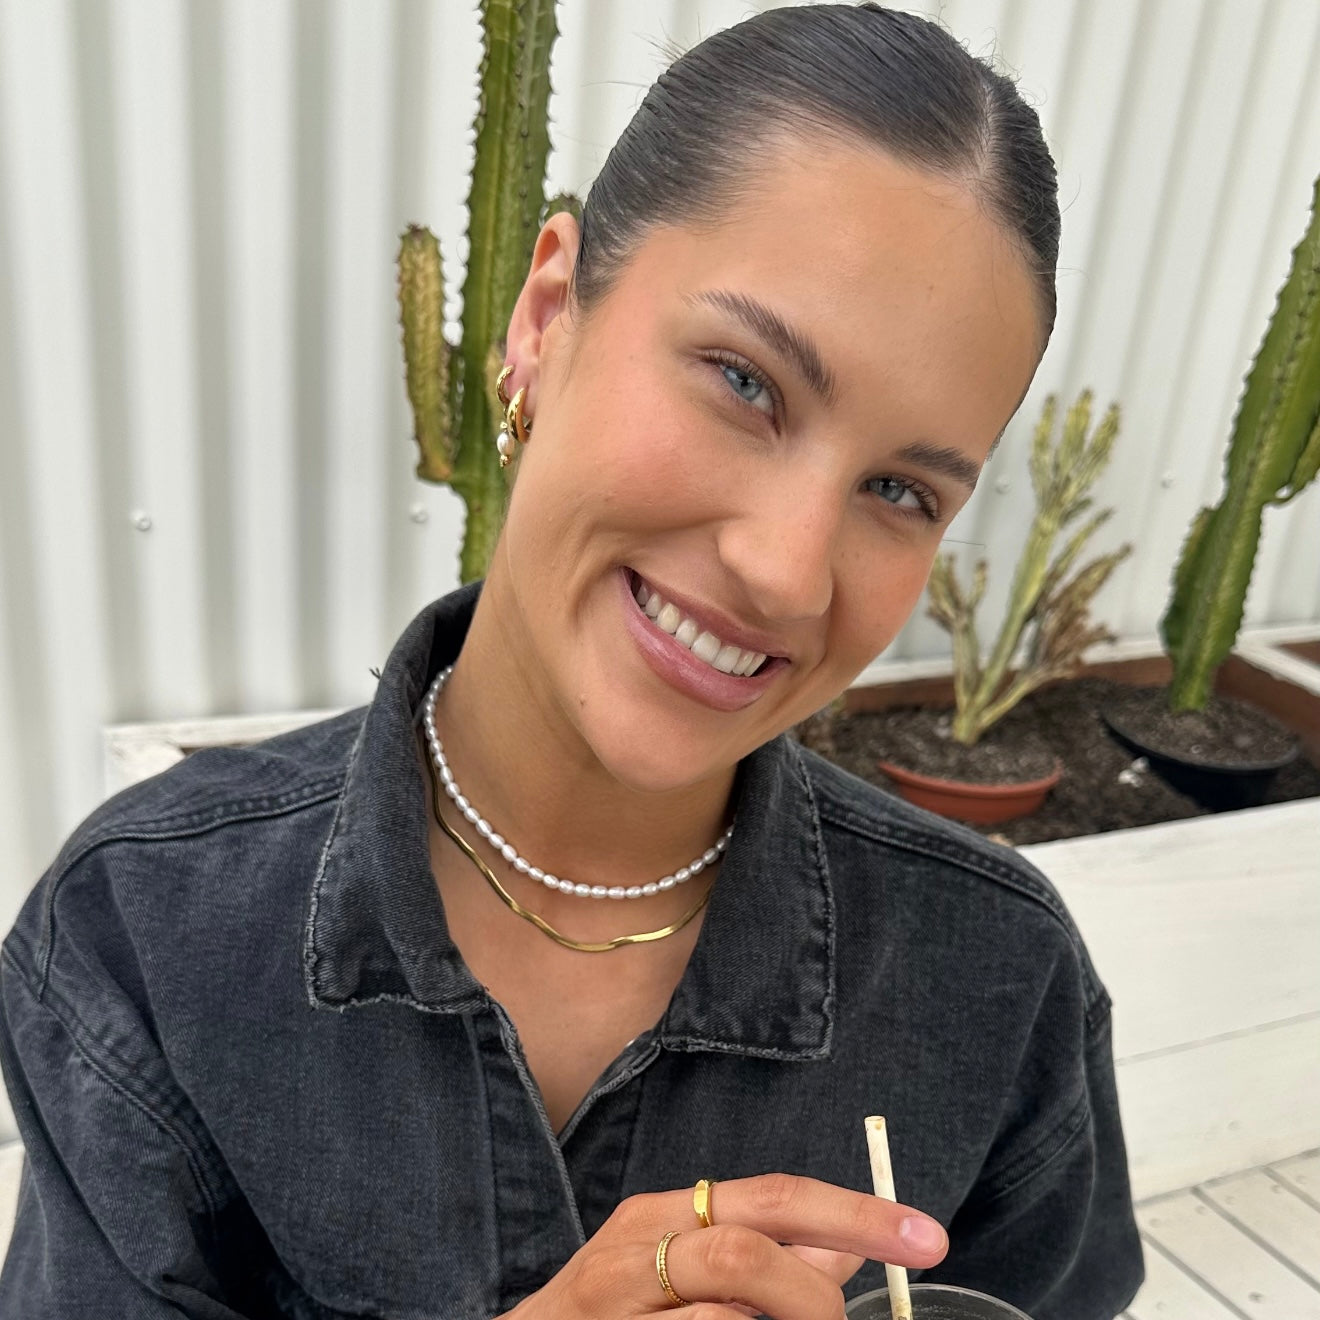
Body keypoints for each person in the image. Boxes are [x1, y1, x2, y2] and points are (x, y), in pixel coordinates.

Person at [0, 4, 1145, 1317]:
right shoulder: (143, 936)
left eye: (900, 489)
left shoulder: (995, 982)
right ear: (548, 318)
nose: (788, 568)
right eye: (747, 381)